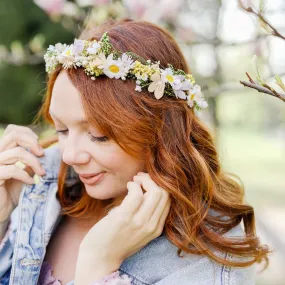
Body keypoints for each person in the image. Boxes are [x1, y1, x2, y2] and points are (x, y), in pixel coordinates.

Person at [0, 18, 268, 285]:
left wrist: (98, 265)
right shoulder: (40, 185)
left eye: (98, 136)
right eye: (62, 130)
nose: (69, 155)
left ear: (161, 132)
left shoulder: (208, 265)